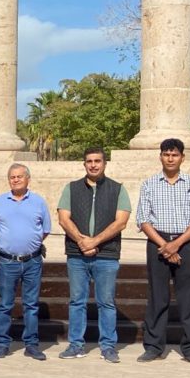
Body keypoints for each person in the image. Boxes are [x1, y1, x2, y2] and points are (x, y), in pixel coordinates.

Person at [136, 138, 190, 366]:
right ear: (160, 157)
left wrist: (176, 245)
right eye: (166, 154)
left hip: (186, 243)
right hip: (157, 241)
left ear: (182, 157)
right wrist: (165, 245)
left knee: (188, 297)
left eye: (175, 155)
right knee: (158, 296)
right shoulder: (149, 184)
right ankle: (154, 346)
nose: (170, 158)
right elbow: (143, 219)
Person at [56, 147, 131, 363]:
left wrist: (94, 241)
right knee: (77, 301)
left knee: (106, 302)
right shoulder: (71, 188)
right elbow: (64, 218)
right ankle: (75, 345)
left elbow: (121, 222)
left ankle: (108, 346)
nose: (93, 164)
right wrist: (82, 241)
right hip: (77, 255)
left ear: (105, 163)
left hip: (106, 256)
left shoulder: (118, 189)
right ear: (84, 164)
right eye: (89, 161)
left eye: (97, 160)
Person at [0, 163, 51, 361]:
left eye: (19, 176)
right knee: (5, 304)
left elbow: (45, 230)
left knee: (31, 305)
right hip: (8, 262)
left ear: (28, 179)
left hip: (32, 261)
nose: (15, 180)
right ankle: (2, 343)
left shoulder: (39, 202)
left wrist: (29, 244)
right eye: (12, 177)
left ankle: (31, 345)